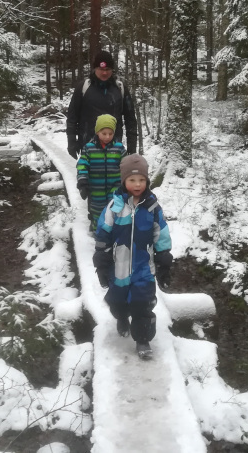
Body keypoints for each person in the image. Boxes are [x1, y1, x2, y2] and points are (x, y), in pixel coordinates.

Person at [93, 153, 173, 359]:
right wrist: (101, 259)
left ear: (147, 181)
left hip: (143, 268)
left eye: (141, 180)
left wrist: (164, 257)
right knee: (117, 302)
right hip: (118, 268)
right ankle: (121, 318)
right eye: (132, 180)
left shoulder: (152, 207)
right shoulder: (115, 207)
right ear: (124, 181)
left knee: (143, 303)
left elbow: (161, 233)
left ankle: (143, 339)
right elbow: (103, 233)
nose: (137, 184)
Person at [66, 50, 137, 159]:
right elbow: (72, 116)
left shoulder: (120, 88)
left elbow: (130, 119)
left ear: (112, 70)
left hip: (114, 149)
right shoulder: (83, 88)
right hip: (88, 148)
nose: (104, 73)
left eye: (107, 69)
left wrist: (132, 145)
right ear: (95, 69)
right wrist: (71, 141)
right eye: (101, 69)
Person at [77, 114, 127, 229]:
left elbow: (126, 165)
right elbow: (82, 165)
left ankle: (114, 230)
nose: (107, 137)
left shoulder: (119, 148)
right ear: (97, 132)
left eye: (111, 133)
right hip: (96, 187)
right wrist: (82, 181)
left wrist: (128, 181)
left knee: (115, 208)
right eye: (104, 133)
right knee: (97, 210)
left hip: (115, 186)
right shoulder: (89, 148)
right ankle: (97, 230)